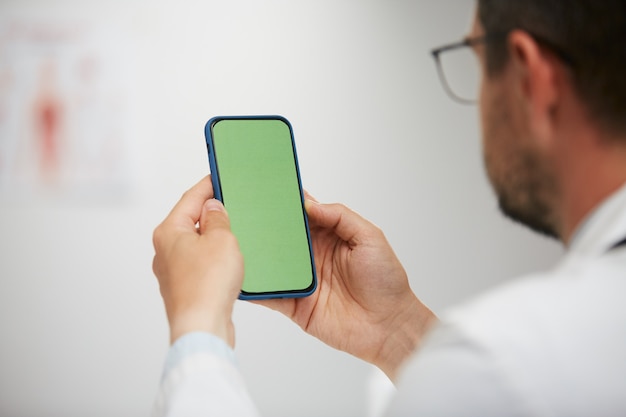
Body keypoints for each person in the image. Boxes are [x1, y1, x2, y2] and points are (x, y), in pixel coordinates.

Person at [151, 1, 626, 415]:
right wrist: (396, 329)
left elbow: (491, 386)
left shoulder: (503, 362)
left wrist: (199, 329)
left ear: (529, 74)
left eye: (476, 64)